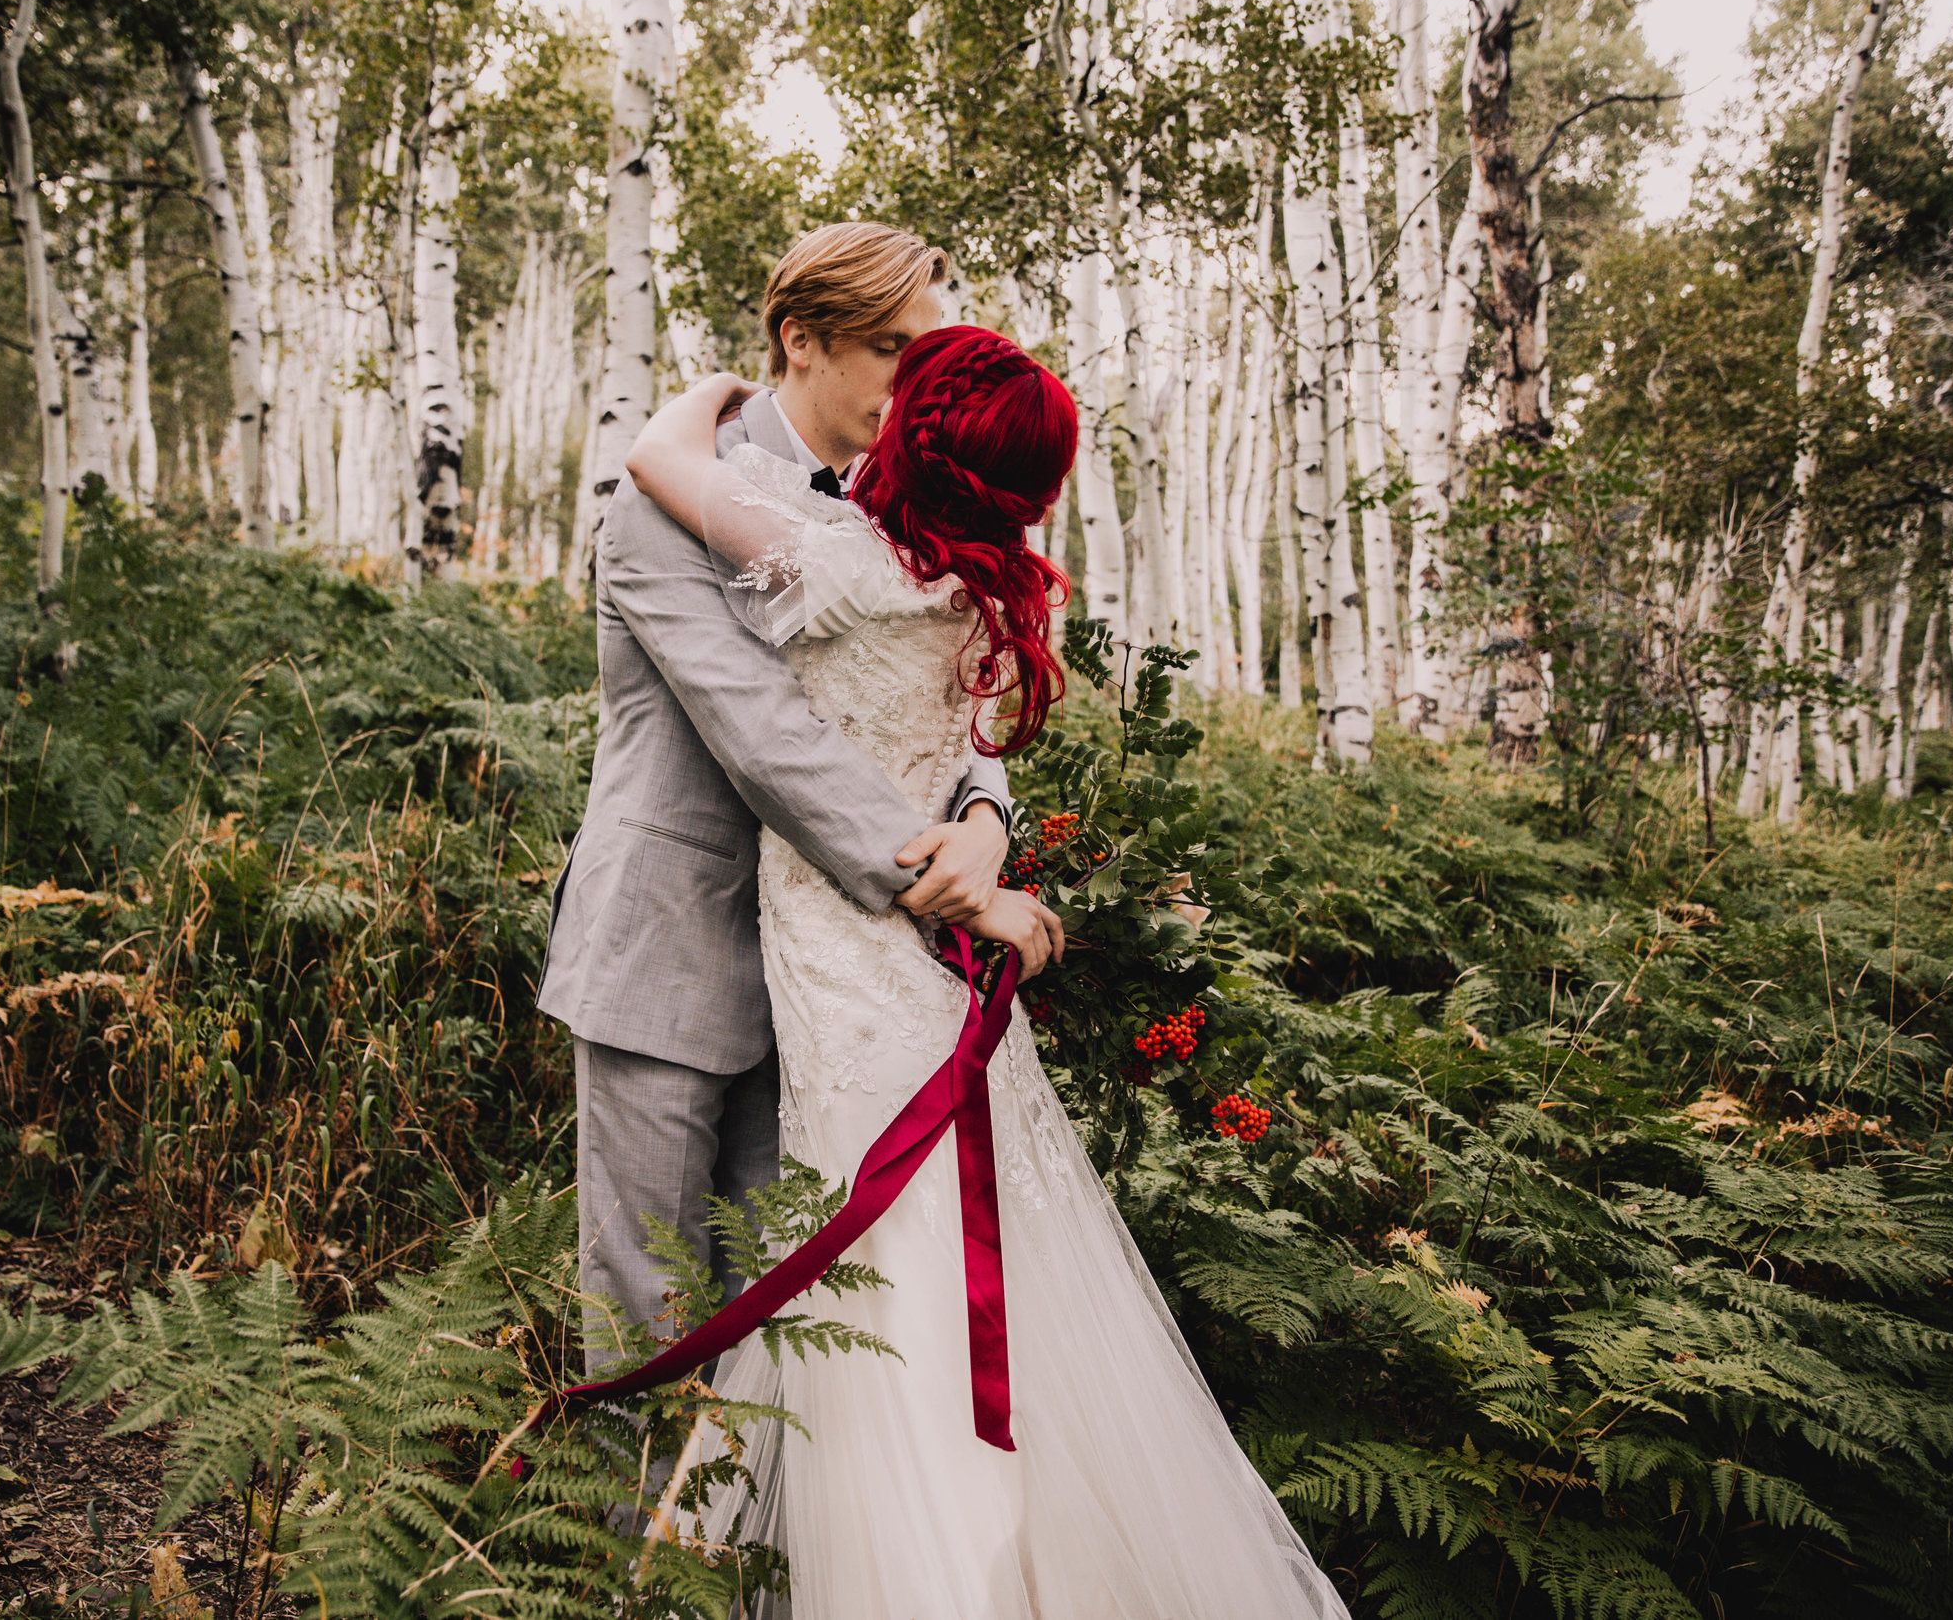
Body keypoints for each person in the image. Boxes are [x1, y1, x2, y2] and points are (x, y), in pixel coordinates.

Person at [622, 328, 1351, 1619]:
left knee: (881, 1289)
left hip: (850, 954)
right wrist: (988, 839)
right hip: (933, 967)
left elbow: (659, 452)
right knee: (965, 1266)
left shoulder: (831, 560)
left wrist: (721, 387)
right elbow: (969, 750)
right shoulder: (985, 592)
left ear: (913, 433)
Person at [537, 223, 1044, 1373]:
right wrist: (946, 892)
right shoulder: (660, 502)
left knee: (794, 1330)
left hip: (831, 975)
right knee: (649, 1322)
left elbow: (948, 691)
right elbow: (761, 728)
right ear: (798, 340)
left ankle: (755, 1562)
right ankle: (629, 1559)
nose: (912, 383)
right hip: (668, 951)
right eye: (887, 350)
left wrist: (981, 818)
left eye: (929, 353)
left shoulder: (904, 498)